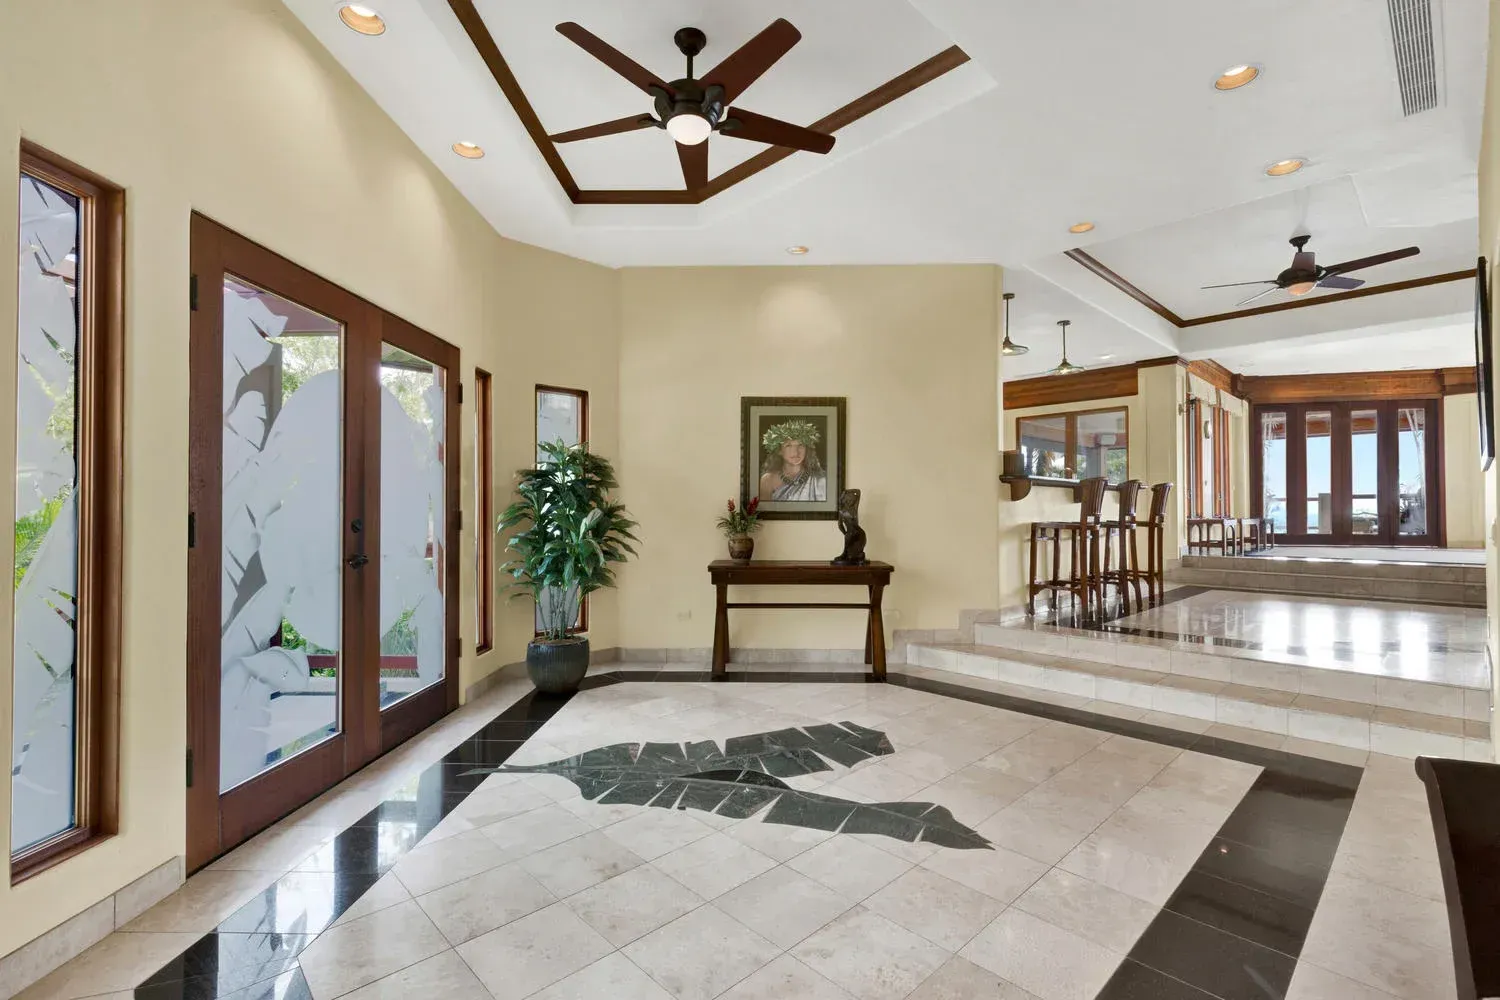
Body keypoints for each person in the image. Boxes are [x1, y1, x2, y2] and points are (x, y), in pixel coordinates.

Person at [759, 419, 828, 502]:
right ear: (779, 450)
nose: (796, 451)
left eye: (801, 445)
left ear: (807, 449)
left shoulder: (820, 479)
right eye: (788, 445)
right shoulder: (767, 480)